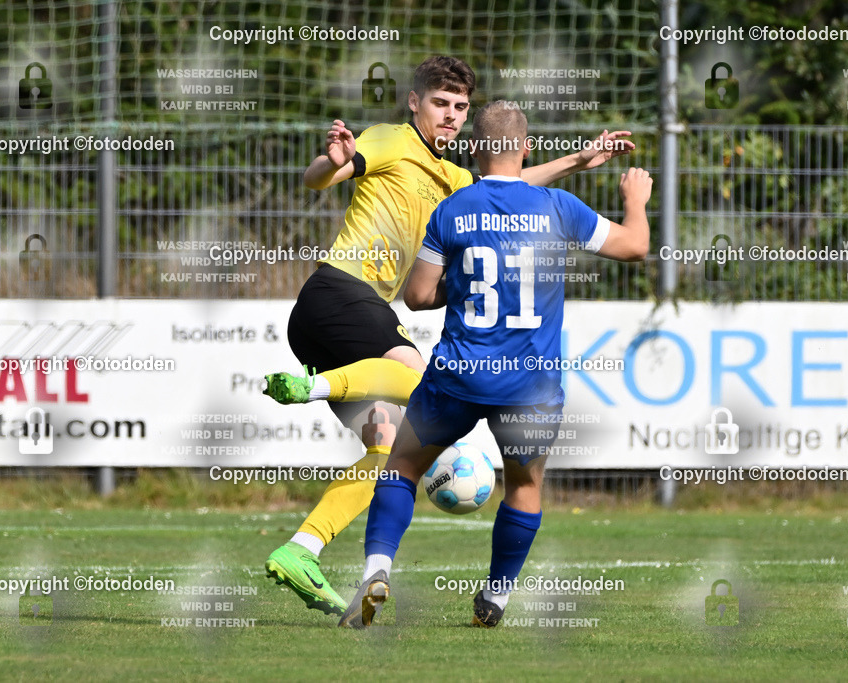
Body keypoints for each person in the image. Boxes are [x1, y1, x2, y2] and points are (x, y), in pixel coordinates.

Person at [261, 57, 636, 616]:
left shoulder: (459, 184)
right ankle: (309, 388)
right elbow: (326, 173)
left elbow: (511, 185)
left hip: (349, 318)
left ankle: (303, 547)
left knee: (388, 446)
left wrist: (578, 160)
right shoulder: (390, 139)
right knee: (415, 367)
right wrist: (330, 163)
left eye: (461, 107)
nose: (452, 116)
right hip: (340, 293)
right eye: (441, 103)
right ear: (414, 102)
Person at [337, 101, 652, 628]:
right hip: (530, 385)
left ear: (473, 148)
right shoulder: (559, 207)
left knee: (404, 466)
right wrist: (634, 199)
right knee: (524, 485)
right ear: (526, 149)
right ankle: (497, 598)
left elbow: (416, 296)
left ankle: (376, 570)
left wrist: (459, 284)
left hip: (459, 374)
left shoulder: (453, 210)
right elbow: (636, 246)